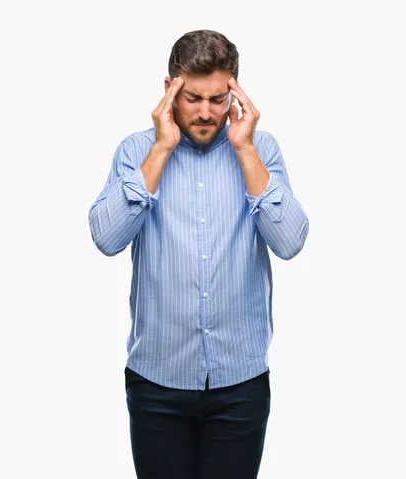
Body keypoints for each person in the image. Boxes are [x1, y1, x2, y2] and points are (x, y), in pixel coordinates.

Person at [88, 30, 309, 479]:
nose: (207, 112)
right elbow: (107, 238)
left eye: (217, 97)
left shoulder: (260, 150)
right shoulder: (136, 152)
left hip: (240, 384)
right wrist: (162, 147)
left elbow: (289, 242)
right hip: (157, 382)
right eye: (192, 97)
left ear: (235, 94)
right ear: (169, 89)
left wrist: (245, 148)